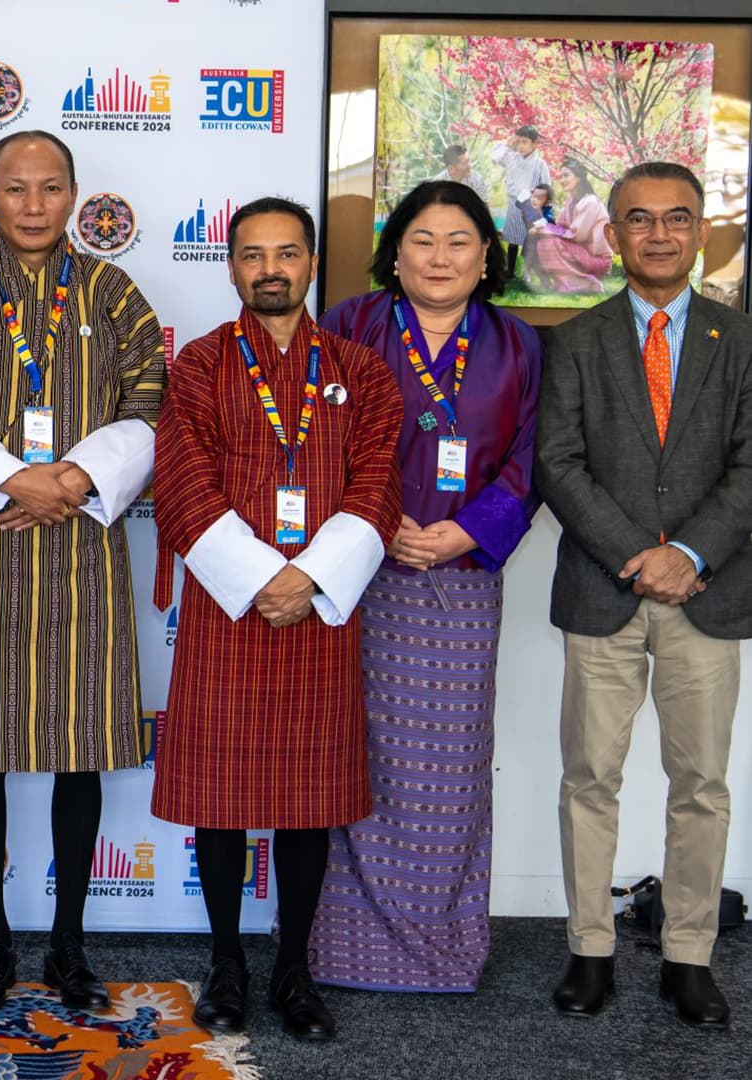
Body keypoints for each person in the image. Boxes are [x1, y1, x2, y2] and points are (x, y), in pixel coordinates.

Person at [0, 130, 163, 1012]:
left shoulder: (111, 290)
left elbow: (148, 398)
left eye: (49, 188)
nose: (31, 205)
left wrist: (76, 479)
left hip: (84, 546)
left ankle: (68, 946)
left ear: (73, 195)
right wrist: (9, 478)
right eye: (13, 189)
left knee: (79, 756)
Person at [150, 198, 402, 1041]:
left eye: (287, 253)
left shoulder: (361, 371)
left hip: (319, 609)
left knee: (307, 799)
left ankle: (293, 969)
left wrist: (309, 579)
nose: (270, 269)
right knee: (220, 802)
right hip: (232, 606)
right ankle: (226, 963)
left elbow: (377, 486)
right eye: (252, 254)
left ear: (311, 263)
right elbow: (182, 483)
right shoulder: (197, 366)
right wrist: (263, 578)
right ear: (230, 268)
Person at [313, 180, 544, 992]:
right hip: (355, 571)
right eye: (422, 239)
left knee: (446, 768)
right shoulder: (348, 326)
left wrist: (466, 530)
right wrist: (372, 520)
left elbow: (531, 455)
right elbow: (308, 438)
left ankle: (440, 949)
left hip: (460, 583)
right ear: (395, 252)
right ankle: (337, 947)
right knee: (346, 755)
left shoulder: (520, 347)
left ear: (488, 256)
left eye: (458, 241)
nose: (439, 257)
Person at [536, 161, 750, 1031]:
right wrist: (639, 554)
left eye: (677, 218)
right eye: (638, 219)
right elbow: (558, 463)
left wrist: (690, 551)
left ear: (700, 231)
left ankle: (688, 957)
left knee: (700, 783)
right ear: (613, 234)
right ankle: (591, 950)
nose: (658, 234)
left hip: (711, 591)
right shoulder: (575, 341)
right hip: (605, 591)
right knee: (591, 778)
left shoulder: (740, 342)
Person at [524, 160, 612, 295]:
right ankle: (565, 283)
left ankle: (587, 282)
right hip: (582, 252)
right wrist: (543, 228)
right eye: (561, 176)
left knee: (549, 242)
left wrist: (543, 230)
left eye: (566, 175)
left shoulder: (590, 202)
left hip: (597, 259)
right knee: (544, 241)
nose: (562, 180)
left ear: (579, 177)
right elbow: (560, 226)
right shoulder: (572, 200)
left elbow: (577, 236)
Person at [491, 126, 551, 279]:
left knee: (529, 240)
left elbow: (546, 186)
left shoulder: (540, 164)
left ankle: (527, 272)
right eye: (519, 142)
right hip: (513, 203)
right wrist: (508, 143)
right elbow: (495, 157)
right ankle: (510, 271)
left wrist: (542, 204)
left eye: (524, 142)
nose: (521, 146)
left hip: (531, 206)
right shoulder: (511, 157)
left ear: (534, 143)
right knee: (512, 240)